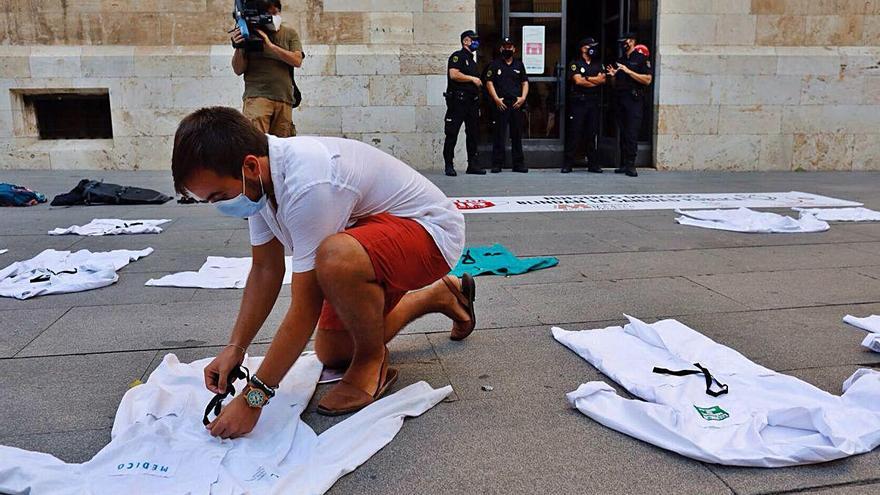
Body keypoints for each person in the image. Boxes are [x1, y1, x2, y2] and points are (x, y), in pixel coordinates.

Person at [171, 107, 478, 438]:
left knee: (334, 258)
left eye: (219, 196)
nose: (222, 206)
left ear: (249, 165)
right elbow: (265, 269)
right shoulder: (259, 180)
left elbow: (306, 306)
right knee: (332, 352)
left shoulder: (306, 182)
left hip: (431, 233)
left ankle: (372, 361)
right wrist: (236, 347)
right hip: (375, 235)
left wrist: (253, 398)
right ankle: (441, 296)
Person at [231, 0, 303, 138]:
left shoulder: (289, 33)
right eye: (269, 13)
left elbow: (297, 60)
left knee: (282, 147)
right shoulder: (249, 32)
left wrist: (270, 46)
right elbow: (238, 69)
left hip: (284, 98)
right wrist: (239, 47)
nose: (273, 17)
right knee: (255, 143)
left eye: (276, 13)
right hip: (257, 98)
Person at [606, 32, 652, 177]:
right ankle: (624, 164)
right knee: (624, 133)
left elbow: (647, 80)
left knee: (632, 133)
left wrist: (628, 71)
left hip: (634, 100)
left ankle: (631, 165)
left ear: (632, 41)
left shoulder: (641, 59)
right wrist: (613, 76)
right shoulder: (620, 60)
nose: (623, 44)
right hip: (621, 99)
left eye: (624, 42)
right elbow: (614, 84)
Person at [443, 30, 486, 176]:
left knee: (473, 134)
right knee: (452, 133)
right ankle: (449, 165)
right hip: (458, 102)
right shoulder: (457, 56)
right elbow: (454, 74)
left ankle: (472, 165)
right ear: (465, 41)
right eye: (473, 40)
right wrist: (472, 79)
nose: (476, 43)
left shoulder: (472, 61)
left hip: (471, 103)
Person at [485, 36, 529, 174]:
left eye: (510, 47)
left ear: (514, 49)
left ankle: (518, 164)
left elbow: (525, 82)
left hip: (516, 104)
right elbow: (489, 82)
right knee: (499, 134)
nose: (507, 49)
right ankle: (497, 164)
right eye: (505, 47)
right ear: (501, 49)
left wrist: (523, 98)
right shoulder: (494, 64)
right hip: (501, 104)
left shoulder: (519, 64)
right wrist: (496, 99)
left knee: (517, 135)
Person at [562, 37, 606, 174]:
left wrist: (586, 78)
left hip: (593, 102)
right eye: (590, 46)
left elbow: (603, 80)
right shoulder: (575, 63)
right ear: (583, 48)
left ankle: (593, 164)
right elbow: (578, 81)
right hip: (579, 103)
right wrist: (594, 80)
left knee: (592, 133)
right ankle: (568, 164)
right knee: (575, 133)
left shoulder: (598, 64)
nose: (593, 49)